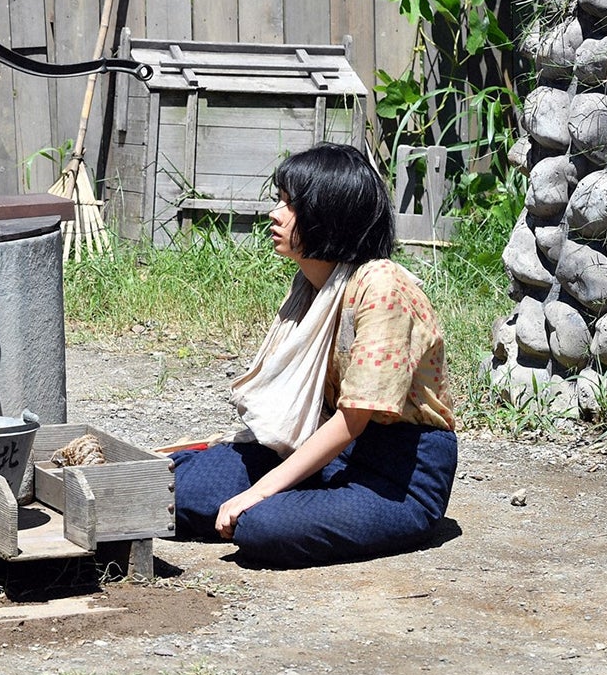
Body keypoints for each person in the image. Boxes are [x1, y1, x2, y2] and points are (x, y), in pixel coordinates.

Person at [170, 143, 457, 566]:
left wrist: (259, 490)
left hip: (395, 474)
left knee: (258, 525)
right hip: (319, 449)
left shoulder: (381, 286)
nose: (275, 214)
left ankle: (291, 501)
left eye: (291, 205)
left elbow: (354, 419)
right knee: (168, 488)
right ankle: (296, 493)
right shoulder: (312, 284)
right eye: (279, 200)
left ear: (330, 215)